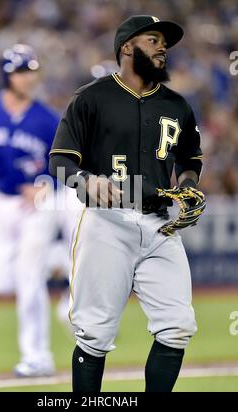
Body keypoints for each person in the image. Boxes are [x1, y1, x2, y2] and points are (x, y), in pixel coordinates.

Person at [49, 15, 205, 392]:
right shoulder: (92, 97)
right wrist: (86, 180)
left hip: (160, 222)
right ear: (126, 48)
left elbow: (190, 159)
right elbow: (59, 162)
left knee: (177, 326)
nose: (163, 47)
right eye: (152, 40)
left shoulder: (177, 104)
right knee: (94, 333)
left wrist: (187, 185)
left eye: (164, 42)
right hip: (107, 222)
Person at [0, 44, 60, 377]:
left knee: (29, 279)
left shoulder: (47, 119)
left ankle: (37, 356)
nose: (28, 78)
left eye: (31, 71)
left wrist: (46, 184)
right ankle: (60, 259)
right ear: (7, 74)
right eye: (21, 71)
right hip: (3, 201)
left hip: (39, 202)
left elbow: (69, 164)